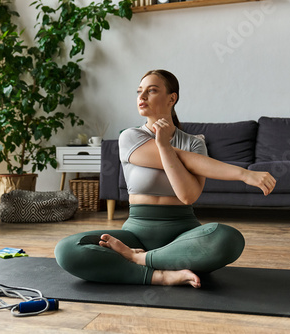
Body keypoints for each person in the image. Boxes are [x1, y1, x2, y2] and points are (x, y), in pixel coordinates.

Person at [55, 69, 276, 288]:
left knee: (228, 239)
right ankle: (160, 276)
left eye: (151, 91)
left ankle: (141, 261)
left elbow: (187, 195)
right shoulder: (130, 137)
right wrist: (244, 174)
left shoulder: (195, 142)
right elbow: (183, 159)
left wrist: (163, 145)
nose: (141, 97)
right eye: (139, 91)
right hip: (136, 235)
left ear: (172, 98)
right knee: (68, 249)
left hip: (184, 237)